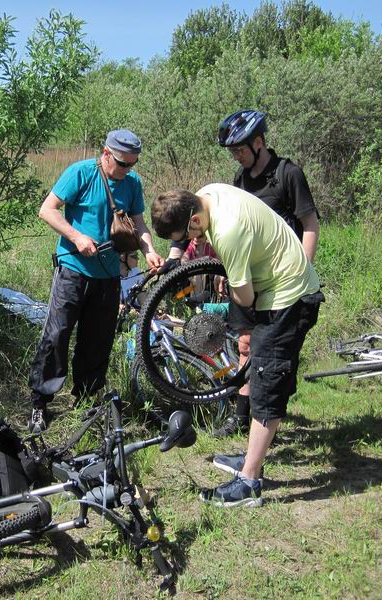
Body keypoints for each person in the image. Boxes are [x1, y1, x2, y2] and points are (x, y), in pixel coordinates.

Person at [151, 184, 324, 507]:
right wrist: (176, 260)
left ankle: (249, 482)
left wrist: (229, 281)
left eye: (187, 237)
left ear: (194, 223)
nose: (190, 244)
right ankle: (251, 457)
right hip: (280, 286)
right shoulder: (206, 195)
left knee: (266, 383)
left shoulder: (228, 231)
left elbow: (245, 298)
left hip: (289, 299)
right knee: (260, 373)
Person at [166, 109, 321, 437]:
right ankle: (244, 414)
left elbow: (309, 225)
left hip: (281, 276)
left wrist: (304, 267)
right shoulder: (239, 181)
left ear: (259, 142)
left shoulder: (287, 174)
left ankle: (261, 412)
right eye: (231, 151)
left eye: (239, 149)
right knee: (245, 346)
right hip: (247, 275)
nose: (236, 156)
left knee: (263, 348)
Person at [28, 129, 164, 433]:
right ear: (105, 153)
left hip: (108, 275)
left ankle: (86, 402)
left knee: (97, 341)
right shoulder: (80, 173)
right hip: (72, 270)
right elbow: (47, 210)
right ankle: (40, 402)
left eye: (132, 164)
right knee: (57, 335)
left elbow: (139, 223)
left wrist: (150, 250)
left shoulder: (132, 183)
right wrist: (77, 237)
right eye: (122, 163)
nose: (127, 170)